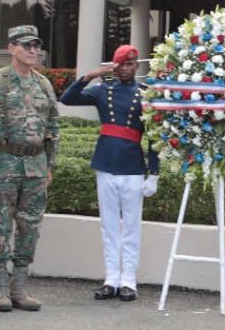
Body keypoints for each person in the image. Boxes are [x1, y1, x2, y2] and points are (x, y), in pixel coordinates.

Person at [0, 28, 62, 313]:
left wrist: (49, 165)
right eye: (27, 46)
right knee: (0, 227)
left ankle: (19, 287)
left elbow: (54, 127)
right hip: (3, 166)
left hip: (35, 168)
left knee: (29, 228)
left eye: (36, 46)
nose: (33, 50)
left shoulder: (44, 84)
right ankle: (0, 288)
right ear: (12, 48)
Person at [61, 46, 160, 301]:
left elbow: (154, 137)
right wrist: (91, 75)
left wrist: (154, 173)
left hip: (132, 167)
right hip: (106, 164)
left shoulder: (145, 94)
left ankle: (129, 281)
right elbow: (67, 98)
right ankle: (110, 279)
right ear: (113, 68)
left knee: (130, 227)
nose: (125, 69)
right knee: (108, 226)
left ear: (136, 65)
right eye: (120, 66)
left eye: (130, 64)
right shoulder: (103, 89)